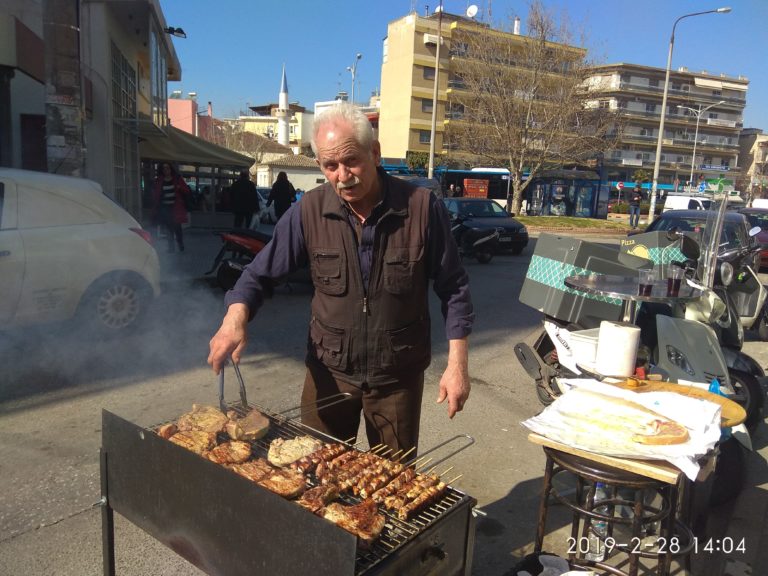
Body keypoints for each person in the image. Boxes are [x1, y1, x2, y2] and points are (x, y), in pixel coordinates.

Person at [208, 102, 474, 455]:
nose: (342, 175)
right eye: (330, 166)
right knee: (317, 472)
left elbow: (454, 288)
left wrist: (458, 365)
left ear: (375, 153)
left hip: (397, 378)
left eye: (351, 161)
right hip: (329, 374)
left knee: (393, 482)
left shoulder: (422, 208)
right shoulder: (309, 210)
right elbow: (258, 274)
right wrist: (234, 318)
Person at [152, 162, 191, 252]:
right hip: (165, 208)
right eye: (164, 168)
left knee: (177, 228)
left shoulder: (177, 179)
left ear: (171, 169)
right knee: (169, 228)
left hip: (176, 207)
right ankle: (171, 247)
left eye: (167, 168)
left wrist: (179, 188)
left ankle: (180, 243)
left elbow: (186, 190)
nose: (166, 170)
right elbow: (156, 193)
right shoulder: (160, 180)